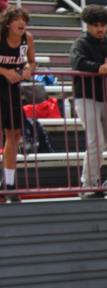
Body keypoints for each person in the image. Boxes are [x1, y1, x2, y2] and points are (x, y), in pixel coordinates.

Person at [70, 5, 107, 199]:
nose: (100, 29)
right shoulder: (80, 43)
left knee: (105, 141)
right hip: (86, 96)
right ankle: (88, 183)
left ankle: (94, 181)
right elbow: (78, 62)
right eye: (96, 25)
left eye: (103, 25)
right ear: (88, 25)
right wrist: (99, 67)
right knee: (96, 140)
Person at [0, 6, 34, 203]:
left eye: (24, 20)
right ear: (8, 23)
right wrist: (5, 71)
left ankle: (9, 185)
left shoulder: (27, 39)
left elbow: (32, 61)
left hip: (12, 90)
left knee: (14, 134)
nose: (22, 23)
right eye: (17, 19)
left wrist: (28, 67)